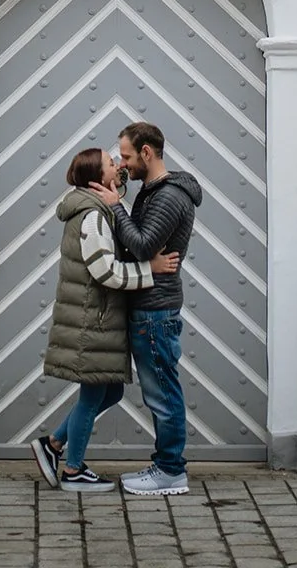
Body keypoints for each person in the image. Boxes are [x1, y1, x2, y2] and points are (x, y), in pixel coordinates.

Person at [30, 146, 179, 494]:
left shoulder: (96, 207)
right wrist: (150, 270)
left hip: (94, 317)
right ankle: (73, 469)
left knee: (109, 391)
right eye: (112, 164)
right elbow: (105, 272)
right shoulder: (93, 216)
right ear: (100, 177)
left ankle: (52, 446)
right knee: (93, 392)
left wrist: (118, 201)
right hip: (93, 320)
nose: (118, 164)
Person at [91, 121, 202, 497]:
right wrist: (119, 192)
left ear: (147, 153)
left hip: (156, 311)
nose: (122, 163)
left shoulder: (169, 197)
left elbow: (140, 245)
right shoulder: (151, 192)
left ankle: (171, 471)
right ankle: (166, 466)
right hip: (147, 307)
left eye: (125, 156)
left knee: (163, 395)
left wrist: (115, 205)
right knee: (160, 392)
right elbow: (140, 245)